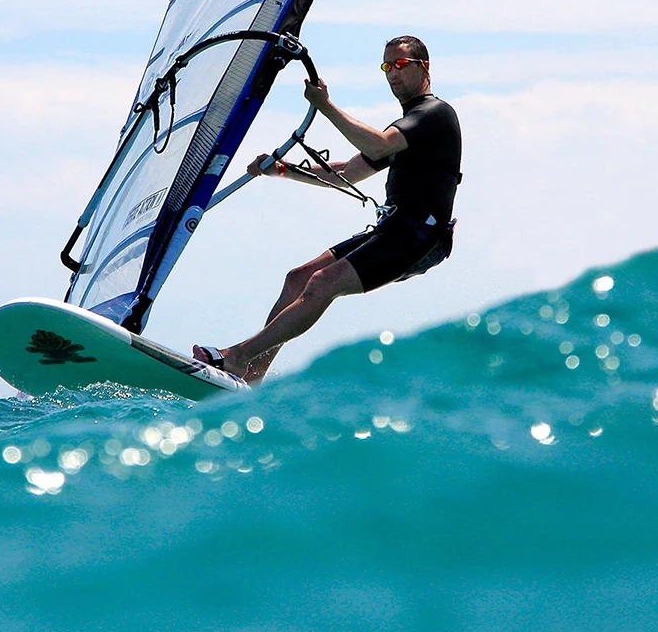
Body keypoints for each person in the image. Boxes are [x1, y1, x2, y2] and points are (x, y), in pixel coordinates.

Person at [194, 35, 461, 384]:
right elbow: (349, 172)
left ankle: (237, 357)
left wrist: (325, 106)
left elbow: (378, 146)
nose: (393, 74)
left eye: (400, 65)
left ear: (423, 67)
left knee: (323, 283)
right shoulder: (409, 127)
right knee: (299, 279)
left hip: (419, 236)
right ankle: (254, 376)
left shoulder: (434, 114)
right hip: (394, 231)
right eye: (386, 67)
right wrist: (285, 170)